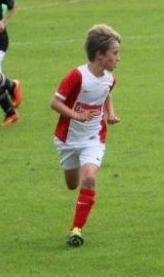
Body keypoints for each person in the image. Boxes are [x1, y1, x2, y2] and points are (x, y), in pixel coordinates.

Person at [50, 24, 123, 247]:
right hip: (68, 139)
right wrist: (77, 115)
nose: (118, 58)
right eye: (115, 53)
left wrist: (110, 113)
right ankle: (78, 216)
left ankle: (76, 229)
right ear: (99, 55)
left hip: (94, 138)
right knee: (72, 184)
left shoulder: (110, 78)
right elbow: (55, 103)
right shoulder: (76, 76)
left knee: (89, 177)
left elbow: (105, 94)